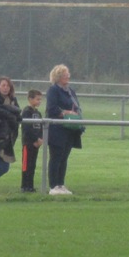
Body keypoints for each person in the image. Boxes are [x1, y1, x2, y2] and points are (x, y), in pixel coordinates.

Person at [45, 64, 84, 195]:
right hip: (57, 129)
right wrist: (66, 113)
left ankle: (61, 184)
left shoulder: (70, 91)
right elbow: (51, 109)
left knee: (64, 157)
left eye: (68, 74)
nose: (68, 76)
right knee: (56, 157)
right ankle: (53, 186)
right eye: (65, 74)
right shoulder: (53, 90)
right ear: (59, 76)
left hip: (70, 129)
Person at [20, 89, 44, 192]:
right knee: (26, 165)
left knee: (32, 165)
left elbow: (41, 127)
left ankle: (30, 186)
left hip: (36, 144)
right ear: (30, 99)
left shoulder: (38, 113)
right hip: (28, 143)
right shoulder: (26, 111)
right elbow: (27, 128)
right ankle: (25, 186)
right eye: (37, 99)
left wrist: (40, 139)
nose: (39, 101)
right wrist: (35, 139)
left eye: (40, 99)